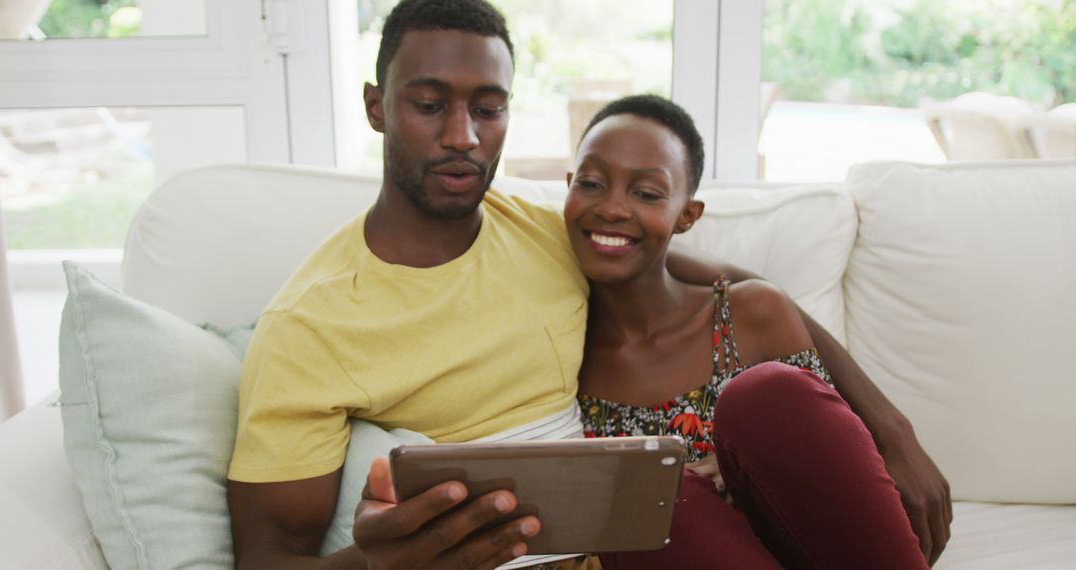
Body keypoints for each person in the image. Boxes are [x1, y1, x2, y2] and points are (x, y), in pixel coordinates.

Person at [227, 0, 950, 568]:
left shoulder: (549, 230)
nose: (463, 137)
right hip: (579, 545)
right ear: (376, 106)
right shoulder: (310, 325)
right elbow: (265, 560)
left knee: (759, 407)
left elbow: (721, 281)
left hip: (642, 530)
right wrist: (381, 564)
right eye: (428, 104)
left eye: (487, 108)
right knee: (659, 507)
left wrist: (891, 428)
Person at [566, 94, 931, 569]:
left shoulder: (750, 313)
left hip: (812, 547)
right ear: (568, 187)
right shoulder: (556, 339)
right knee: (650, 494)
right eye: (592, 184)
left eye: (647, 193)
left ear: (687, 215)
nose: (613, 208)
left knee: (770, 392)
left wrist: (738, 470)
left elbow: (828, 460)